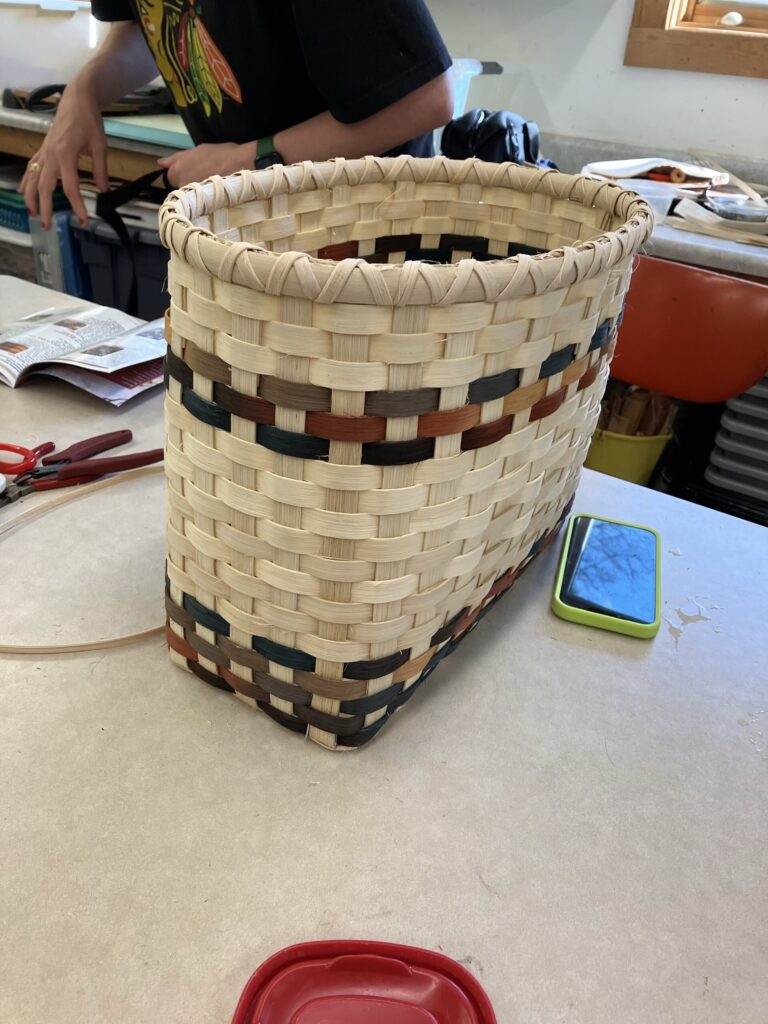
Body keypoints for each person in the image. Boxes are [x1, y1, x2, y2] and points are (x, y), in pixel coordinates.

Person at [22, 1, 454, 230]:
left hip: (361, 237)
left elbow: (426, 98)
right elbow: (145, 25)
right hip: (248, 223)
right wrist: (83, 90)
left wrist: (251, 159)